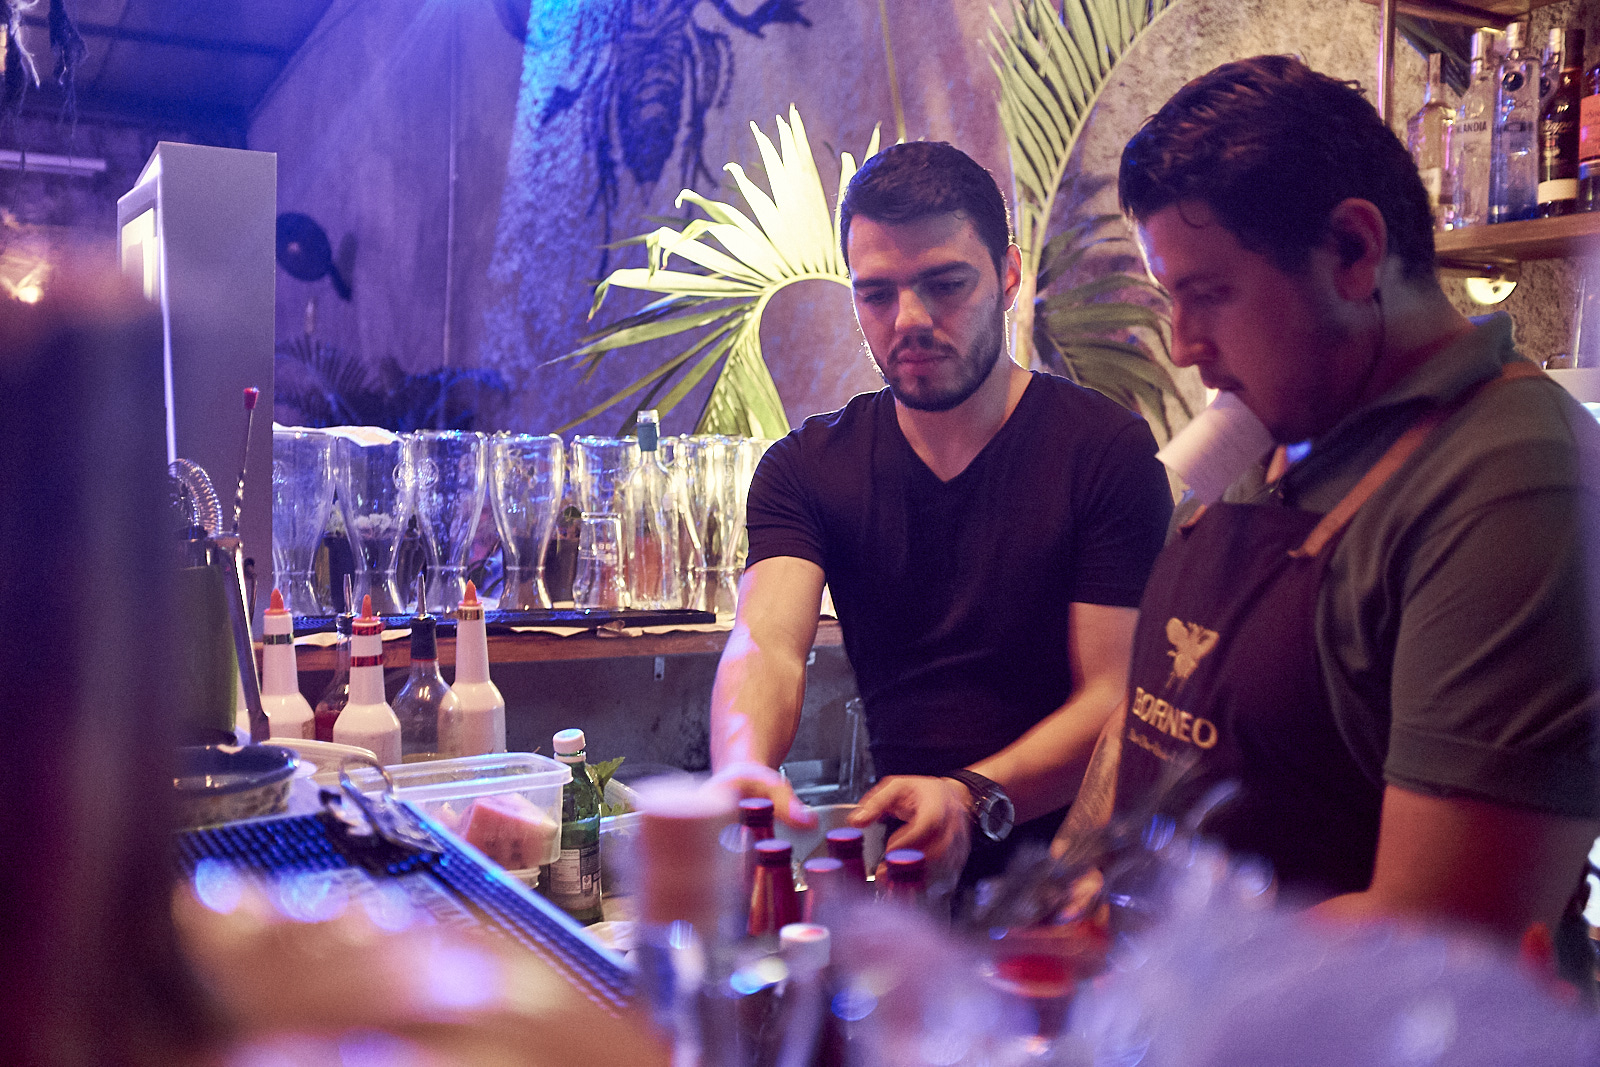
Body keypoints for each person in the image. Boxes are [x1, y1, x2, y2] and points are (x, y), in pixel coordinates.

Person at [1061, 55, 1600, 972]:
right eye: (1171, 298)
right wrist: (1076, 884)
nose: (1185, 346)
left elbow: (1437, 933)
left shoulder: (1516, 478)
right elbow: (1159, 709)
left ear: (1352, 251)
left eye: (1209, 294)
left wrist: (1143, 972)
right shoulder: (1266, 419)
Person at [709, 140, 1174, 886]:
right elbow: (765, 641)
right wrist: (742, 763)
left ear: (1009, 276)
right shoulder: (807, 467)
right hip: (904, 869)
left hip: (1071, 881)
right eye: (877, 294)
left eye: (945, 284)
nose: (910, 319)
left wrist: (968, 793)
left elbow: (1113, 698)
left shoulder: (1104, 451)